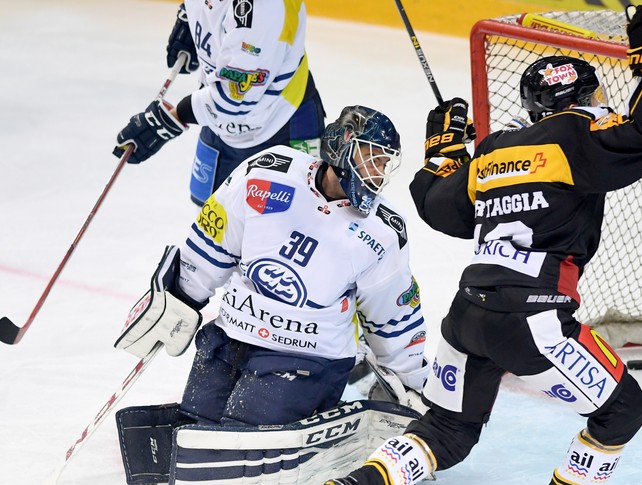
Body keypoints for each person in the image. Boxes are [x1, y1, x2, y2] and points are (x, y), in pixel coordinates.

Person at [308, 2, 642, 485]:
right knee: (622, 409)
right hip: (535, 322)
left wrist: (442, 156)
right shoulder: (579, 136)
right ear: (581, 100)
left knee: (449, 432)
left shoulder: (494, 152)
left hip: (467, 319)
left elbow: (439, 209)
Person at [115, 104, 429, 429]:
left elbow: (393, 314)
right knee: (197, 422)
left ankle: (348, 386)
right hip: (233, 334)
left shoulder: (382, 230)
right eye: (373, 158)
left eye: (384, 163)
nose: (379, 173)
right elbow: (217, 234)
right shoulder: (267, 173)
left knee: (240, 434)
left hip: (309, 357)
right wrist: (183, 295)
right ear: (343, 147)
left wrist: (412, 380)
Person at [112, 1, 326, 206]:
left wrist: (166, 121)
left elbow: (232, 101)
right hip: (218, 124)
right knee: (208, 223)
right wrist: (192, 17)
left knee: (277, 231)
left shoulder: (261, 11)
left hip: (283, 127)